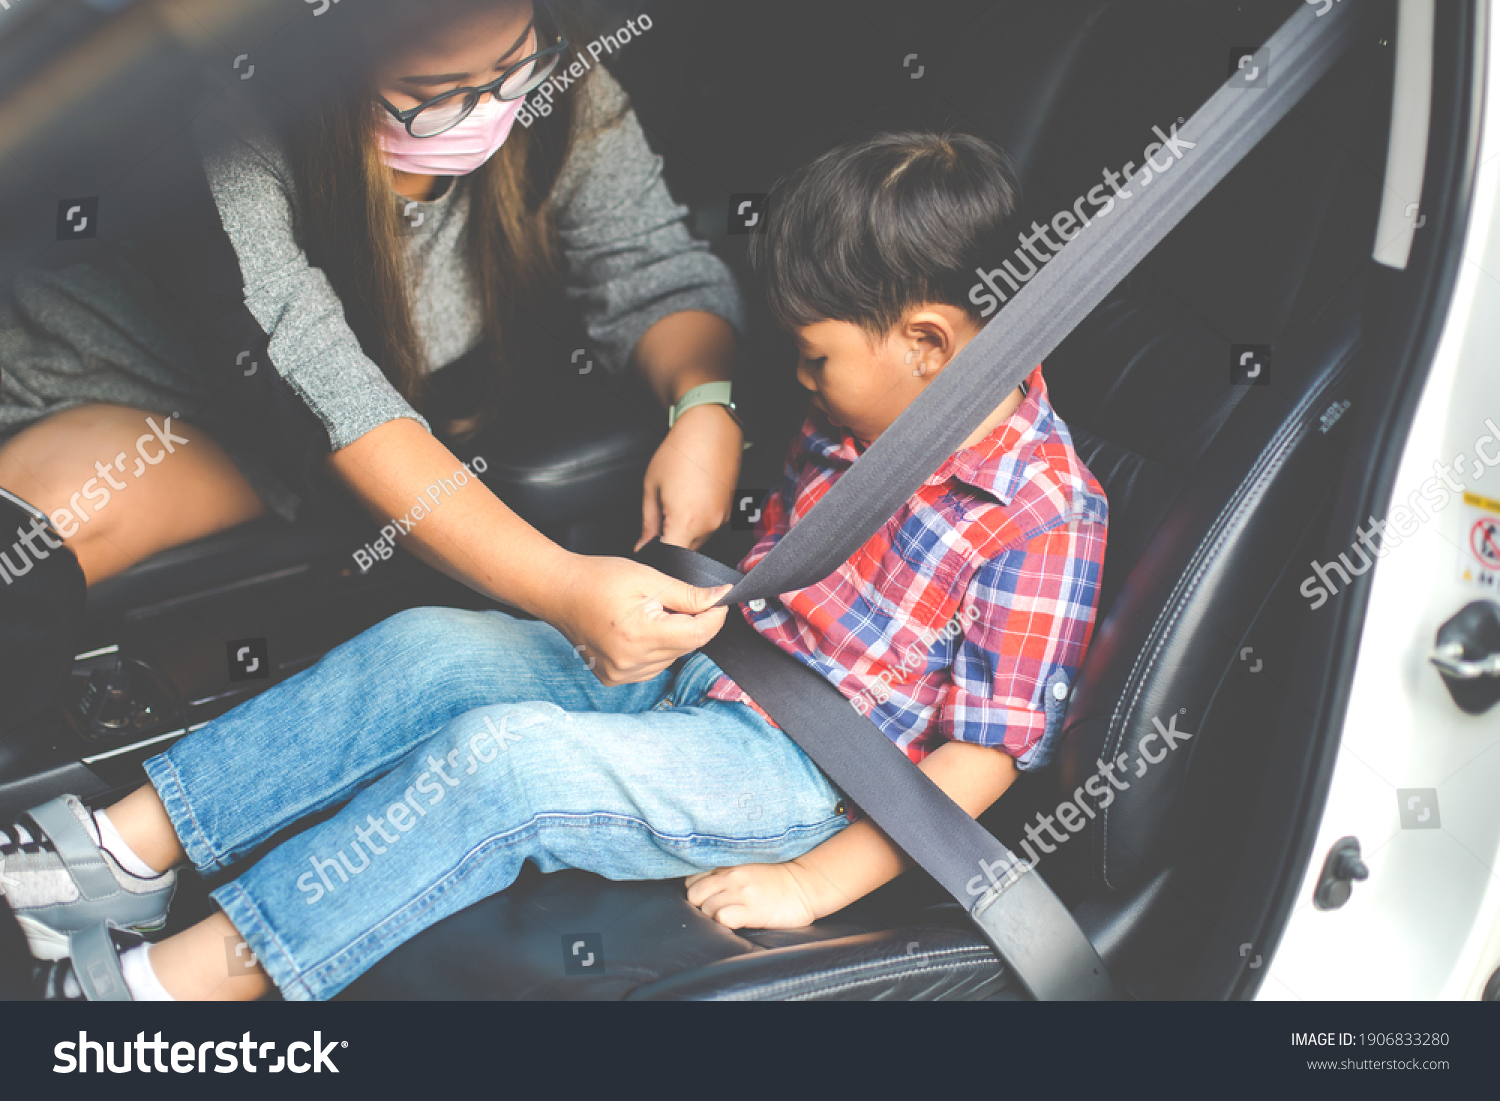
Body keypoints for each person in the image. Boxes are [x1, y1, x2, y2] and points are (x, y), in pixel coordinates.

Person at [0, 130, 1108, 1001]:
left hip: (802, 780)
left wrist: (816, 881)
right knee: (429, 649)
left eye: (815, 357)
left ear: (928, 343)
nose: (801, 383)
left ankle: (179, 986)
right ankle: (129, 857)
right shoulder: (870, 413)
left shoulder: (1044, 515)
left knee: (505, 766)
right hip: (715, 663)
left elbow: (984, 758)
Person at [0, 0, 738, 684]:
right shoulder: (232, 133)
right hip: (96, 387)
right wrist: (563, 585)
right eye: (433, 92)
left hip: (272, 443)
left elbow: (650, 266)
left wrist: (703, 405)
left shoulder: (562, 85)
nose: (488, 108)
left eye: (514, 66)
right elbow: (324, 381)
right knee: (19, 556)